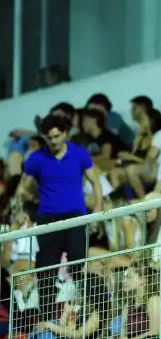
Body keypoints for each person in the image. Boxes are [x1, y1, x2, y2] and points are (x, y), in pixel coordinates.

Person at [17, 114, 102, 274]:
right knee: (46, 272)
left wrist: (97, 211)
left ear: (65, 133)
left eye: (56, 136)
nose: (53, 141)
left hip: (76, 217)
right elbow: (22, 189)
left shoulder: (80, 153)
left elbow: (96, 182)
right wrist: (21, 210)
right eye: (49, 138)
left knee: (79, 266)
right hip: (48, 219)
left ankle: (79, 299)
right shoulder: (36, 158)